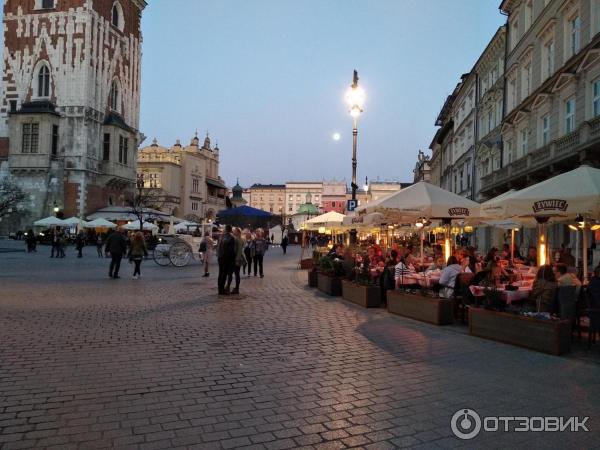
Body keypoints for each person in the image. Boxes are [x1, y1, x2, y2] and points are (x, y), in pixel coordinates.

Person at [217, 225, 236, 295]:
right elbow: (231, 250)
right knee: (224, 274)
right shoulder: (231, 237)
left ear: (225, 229)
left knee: (220, 273)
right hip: (226, 258)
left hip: (220, 257)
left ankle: (220, 289)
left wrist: (218, 255)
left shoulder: (221, 236)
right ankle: (222, 290)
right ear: (231, 230)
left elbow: (218, 247)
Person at [226, 227, 245, 295]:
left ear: (238, 232)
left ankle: (235, 288)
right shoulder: (239, 239)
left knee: (235, 274)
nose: (233, 232)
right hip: (236, 258)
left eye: (235, 231)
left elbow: (239, 250)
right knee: (235, 274)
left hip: (237, 259)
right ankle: (232, 288)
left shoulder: (239, 239)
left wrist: (237, 260)